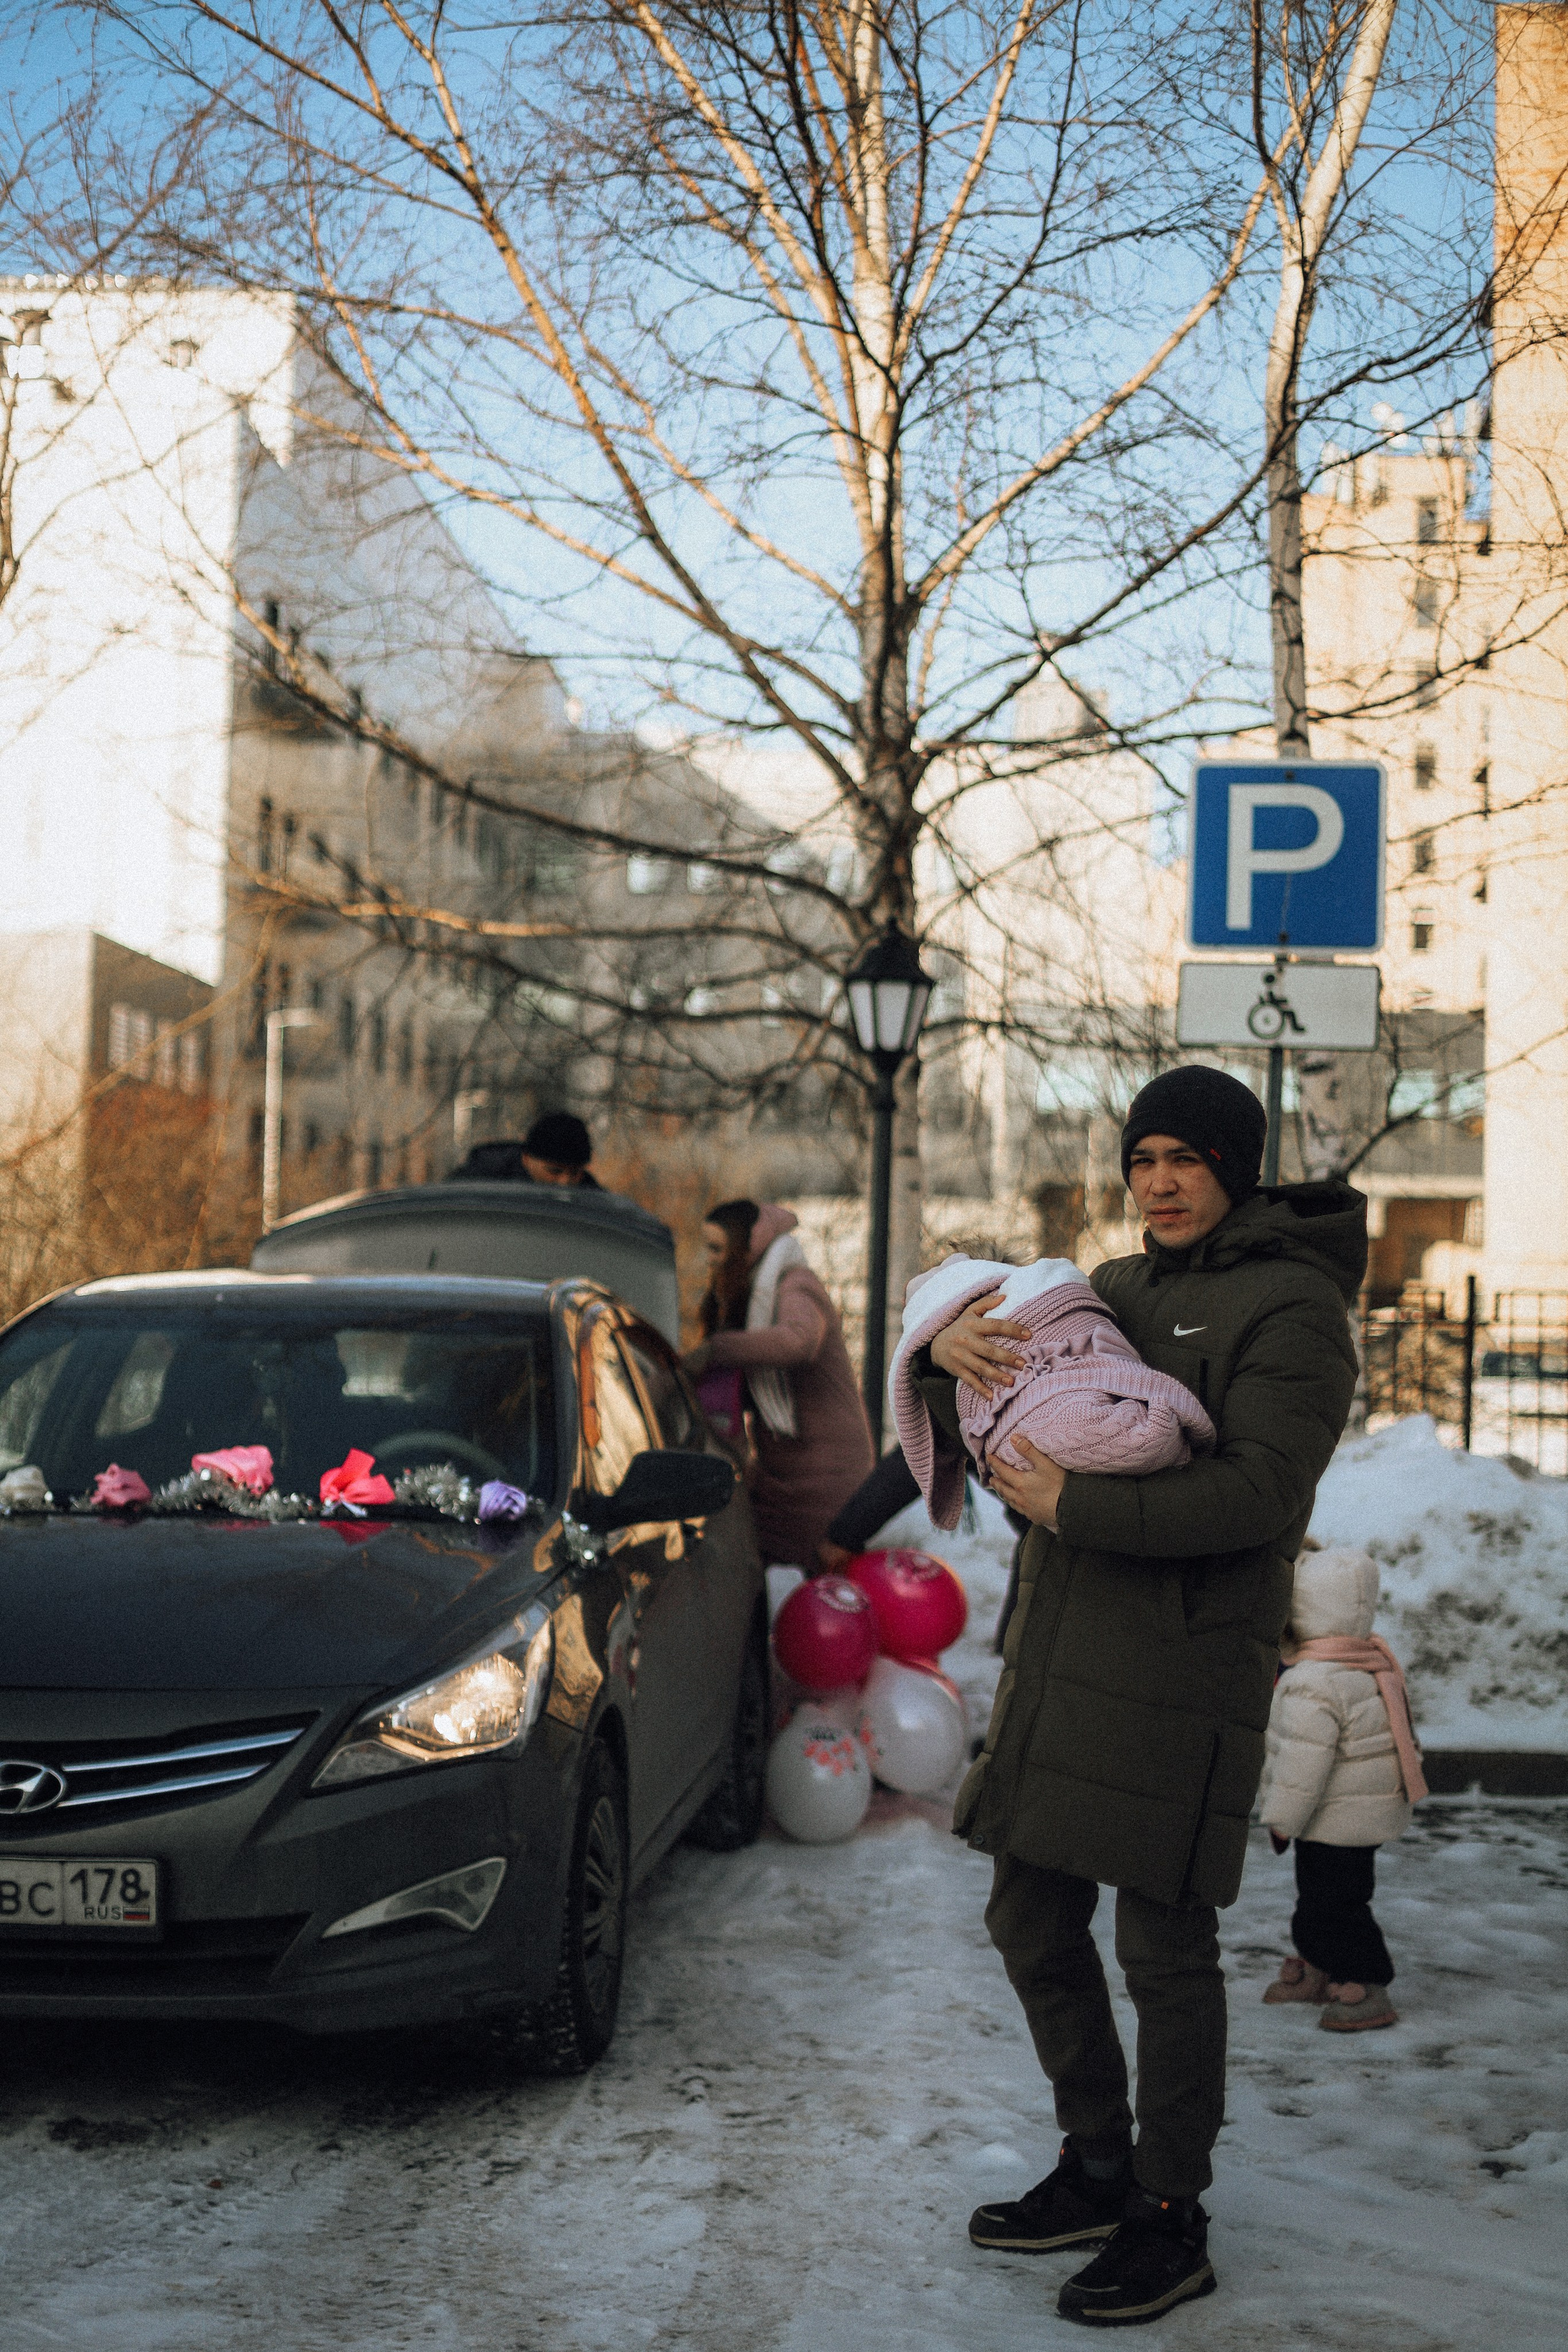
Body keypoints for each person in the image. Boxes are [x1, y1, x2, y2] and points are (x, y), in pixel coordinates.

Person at [919, 1065, 1364, 2327]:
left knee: (1162, 1955)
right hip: (1065, 1656)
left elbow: (1260, 1495)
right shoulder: (1115, 1288)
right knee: (1026, 1918)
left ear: (1234, 1164)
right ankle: (1097, 2161)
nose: (1155, 1183)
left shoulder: (1296, 1309)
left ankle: (1171, 2212)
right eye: (1140, 1158)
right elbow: (994, 1379)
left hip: (1180, 1668)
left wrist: (1075, 1505)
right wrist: (947, 1342)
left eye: (1182, 1158)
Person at [1257, 1545, 1426, 2033]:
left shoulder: (1314, 1680)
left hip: (1332, 1819)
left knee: (1335, 1907)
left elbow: (1303, 1765)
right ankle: (1320, 1968)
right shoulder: (1368, 1661)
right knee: (1329, 1900)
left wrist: (1282, 1819)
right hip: (1357, 1817)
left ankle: (1368, 1984)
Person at [684, 1199, 873, 1569]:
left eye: (717, 1248)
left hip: (823, 1470)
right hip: (782, 1471)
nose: (709, 1258)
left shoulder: (795, 1284)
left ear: (745, 1249)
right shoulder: (749, 1294)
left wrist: (715, 1350)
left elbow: (798, 1340)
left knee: (809, 1580)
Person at [447, 1111, 601, 1188]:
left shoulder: (590, 1194)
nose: (565, 1182)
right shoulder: (479, 1182)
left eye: (574, 1173)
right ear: (527, 1160)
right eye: (555, 1171)